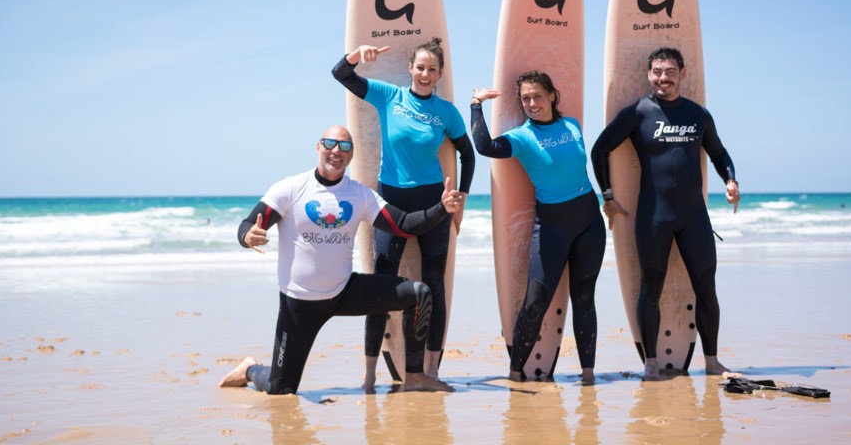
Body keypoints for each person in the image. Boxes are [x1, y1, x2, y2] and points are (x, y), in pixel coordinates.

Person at [217, 125, 461, 395]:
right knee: (280, 389)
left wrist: (441, 209)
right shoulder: (290, 188)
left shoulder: (359, 195)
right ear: (318, 147)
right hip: (298, 304)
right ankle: (250, 369)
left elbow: (403, 224)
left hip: (343, 291)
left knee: (419, 293)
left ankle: (414, 376)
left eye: (345, 146)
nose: (337, 151)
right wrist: (247, 235)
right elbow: (250, 222)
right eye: (330, 143)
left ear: (352, 154)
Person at [332, 38, 475, 390]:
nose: (426, 74)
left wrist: (459, 200)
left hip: (432, 201)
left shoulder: (446, 112)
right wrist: (356, 56)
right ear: (410, 69)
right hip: (390, 201)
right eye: (420, 67)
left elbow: (467, 154)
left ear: (440, 75)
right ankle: (368, 377)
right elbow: (341, 74)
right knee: (380, 284)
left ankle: (429, 372)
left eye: (432, 69)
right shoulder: (389, 96)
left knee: (433, 285)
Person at [591, 46, 741, 379]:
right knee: (651, 289)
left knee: (706, 287)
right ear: (649, 74)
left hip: (694, 218)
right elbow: (600, 149)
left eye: (670, 72)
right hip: (653, 217)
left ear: (681, 74)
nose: (663, 78)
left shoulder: (698, 114)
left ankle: (713, 362)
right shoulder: (638, 113)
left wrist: (730, 180)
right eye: (657, 72)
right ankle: (651, 364)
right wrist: (609, 196)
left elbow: (719, 153)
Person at [470, 71, 606, 384]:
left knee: (584, 299)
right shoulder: (521, 137)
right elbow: (485, 146)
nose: (532, 103)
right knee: (534, 303)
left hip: (589, 222)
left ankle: (588, 376)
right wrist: (476, 105)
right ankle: (515, 374)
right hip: (552, 228)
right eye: (526, 98)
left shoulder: (572, 125)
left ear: (552, 96)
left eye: (538, 96)